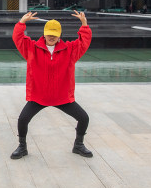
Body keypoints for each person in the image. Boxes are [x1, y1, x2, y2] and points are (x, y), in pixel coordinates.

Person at [11, 11, 93, 159]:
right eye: (49, 34)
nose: (51, 37)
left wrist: (84, 25)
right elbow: (18, 38)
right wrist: (21, 22)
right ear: (44, 34)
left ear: (59, 35)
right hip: (38, 96)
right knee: (23, 120)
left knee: (84, 118)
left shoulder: (70, 50)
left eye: (54, 34)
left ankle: (78, 145)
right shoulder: (32, 48)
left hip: (62, 97)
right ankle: (22, 147)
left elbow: (84, 42)